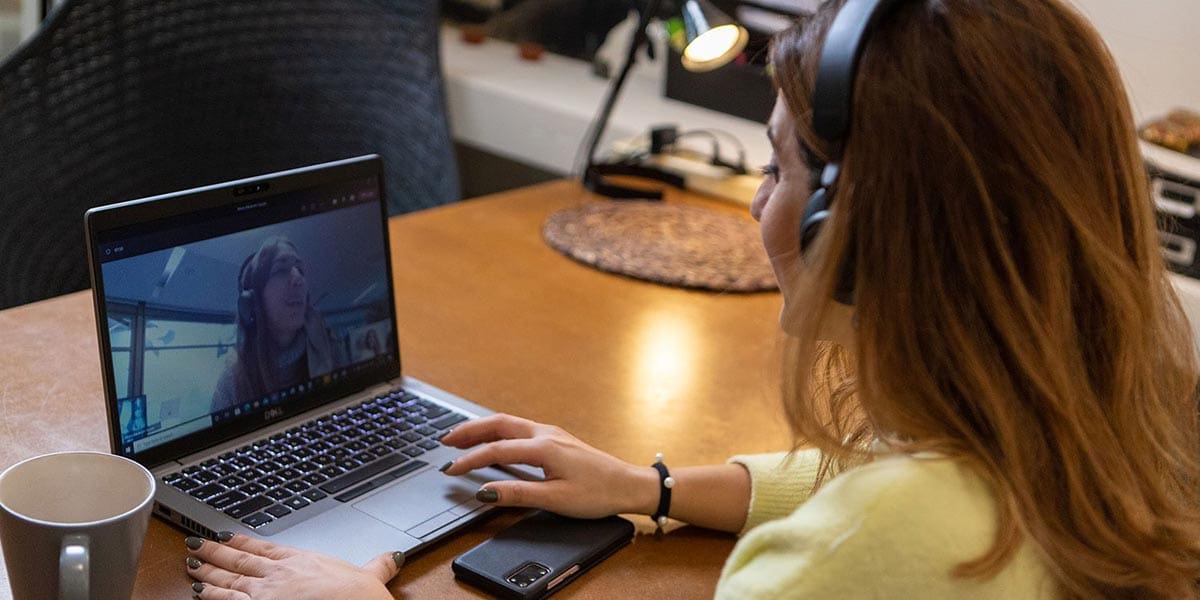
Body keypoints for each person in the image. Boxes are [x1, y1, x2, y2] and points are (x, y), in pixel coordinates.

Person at [184, 0, 1200, 598]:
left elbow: (882, 516)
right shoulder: (1126, 416)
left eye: (774, 169)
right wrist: (647, 484)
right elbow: (887, 482)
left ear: (842, 227)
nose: (760, 204)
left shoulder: (870, 547)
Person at [211, 236, 343, 412]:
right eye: (281, 269)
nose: (298, 279)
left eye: (300, 270)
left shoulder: (330, 349)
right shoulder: (231, 384)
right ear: (254, 301)